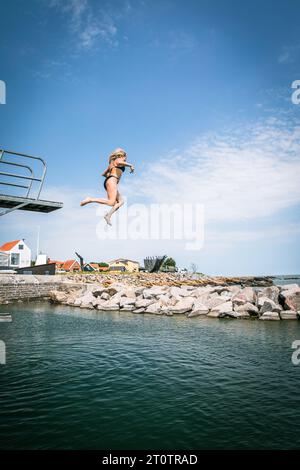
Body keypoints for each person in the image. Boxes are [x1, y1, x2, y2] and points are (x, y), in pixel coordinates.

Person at [80, 148, 134, 226]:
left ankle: (108, 216)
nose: (126, 159)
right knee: (111, 202)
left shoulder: (112, 164)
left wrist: (111, 172)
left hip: (111, 181)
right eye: (125, 157)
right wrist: (131, 165)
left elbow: (103, 174)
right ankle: (90, 199)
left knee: (121, 201)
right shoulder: (118, 160)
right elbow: (119, 162)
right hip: (112, 181)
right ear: (122, 156)